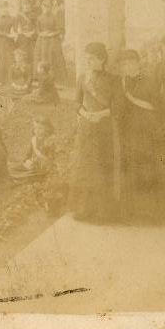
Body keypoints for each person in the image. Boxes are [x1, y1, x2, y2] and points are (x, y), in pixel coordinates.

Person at [68, 42, 125, 223]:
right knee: (85, 168)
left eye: (91, 58)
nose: (88, 61)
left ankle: (104, 212)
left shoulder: (114, 79)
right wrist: (84, 113)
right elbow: (76, 102)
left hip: (104, 128)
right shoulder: (82, 78)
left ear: (101, 59)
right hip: (86, 128)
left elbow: (118, 106)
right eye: (86, 58)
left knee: (102, 168)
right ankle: (85, 209)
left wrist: (100, 114)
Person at [118, 48, 165, 221]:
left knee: (148, 167)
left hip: (148, 129)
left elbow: (159, 106)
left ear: (138, 62)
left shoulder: (149, 80)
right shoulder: (122, 82)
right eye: (124, 63)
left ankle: (150, 212)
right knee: (131, 168)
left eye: (131, 62)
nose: (128, 66)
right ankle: (132, 212)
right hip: (128, 130)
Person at [10, 116, 57, 181]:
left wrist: (36, 150)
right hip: (31, 165)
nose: (37, 131)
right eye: (35, 128)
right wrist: (26, 161)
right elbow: (29, 153)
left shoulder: (49, 141)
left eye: (40, 128)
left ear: (47, 129)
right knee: (12, 169)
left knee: (29, 175)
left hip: (42, 168)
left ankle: (22, 178)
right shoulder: (34, 139)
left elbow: (49, 160)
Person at [34, 0, 67, 83]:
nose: (46, 9)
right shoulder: (39, 18)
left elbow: (60, 29)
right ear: (42, 7)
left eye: (48, 7)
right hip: (42, 41)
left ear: (50, 7)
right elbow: (37, 30)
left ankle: (55, 78)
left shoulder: (55, 17)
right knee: (42, 57)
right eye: (44, 7)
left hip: (53, 39)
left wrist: (52, 34)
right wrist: (41, 34)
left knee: (53, 57)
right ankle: (42, 77)